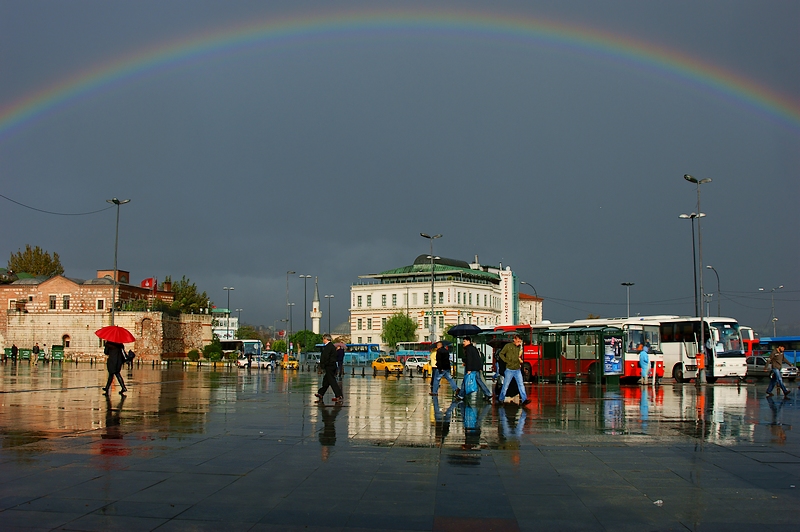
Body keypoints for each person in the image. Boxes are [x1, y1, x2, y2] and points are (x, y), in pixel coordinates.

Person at [497, 335, 530, 405]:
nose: (519, 343)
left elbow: (518, 356)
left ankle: (524, 399)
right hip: (509, 369)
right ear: (514, 340)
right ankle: (501, 398)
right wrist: (506, 360)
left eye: (520, 342)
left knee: (521, 385)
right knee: (506, 385)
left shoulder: (519, 348)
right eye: (518, 341)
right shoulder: (508, 346)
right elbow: (501, 354)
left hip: (517, 369)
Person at [458, 337, 493, 402]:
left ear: (468, 341)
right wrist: (479, 367)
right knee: (479, 381)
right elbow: (477, 358)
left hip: (471, 368)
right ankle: (488, 393)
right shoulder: (474, 348)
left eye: (464, 341)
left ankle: (461, 395)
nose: (463, 343)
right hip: (476, 367)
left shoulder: (468, 349)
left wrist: (469, 369)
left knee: (465, 381)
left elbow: (469, 359)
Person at [315, 334, 343, 403]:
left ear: (325, 339)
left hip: (329, 366)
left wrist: (323, 365)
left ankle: (338, 395)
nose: (323, 340)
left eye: (323, 339)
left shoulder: (328, 347)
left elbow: (326, 357)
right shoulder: (332, 346)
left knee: (332, 382)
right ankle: (321, 393)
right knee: (326, 381)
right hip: (332, 366)